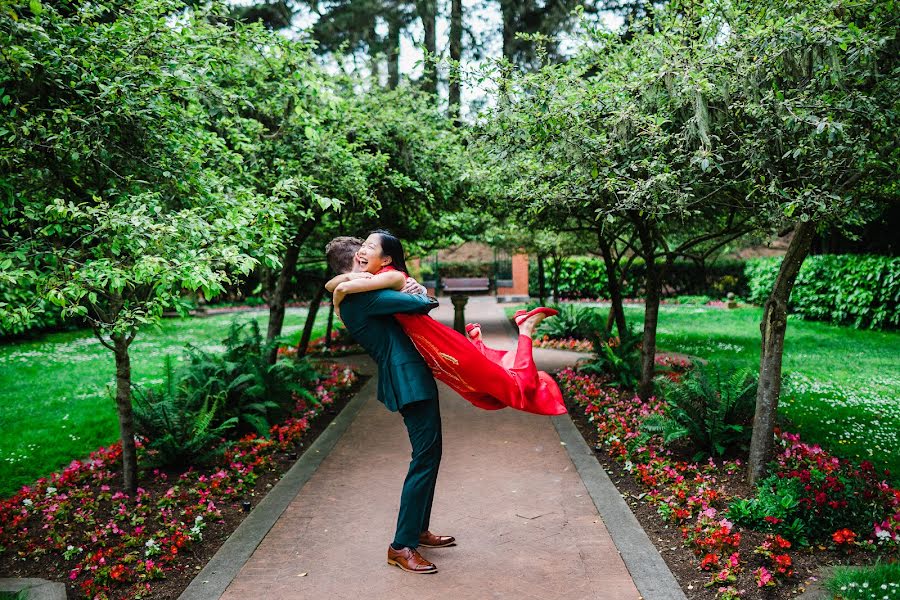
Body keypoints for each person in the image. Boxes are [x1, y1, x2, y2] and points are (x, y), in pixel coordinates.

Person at [326, 230, 566, 417]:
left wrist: (338, 305)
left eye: (369, 247)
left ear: (386, 258)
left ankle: (525, 327)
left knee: (513, 389)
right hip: (437, 352)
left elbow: (342, 287)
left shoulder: (392, 276)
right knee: (480, 393)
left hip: (445, 347)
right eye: (362, 248)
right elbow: (333, 284)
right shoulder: (379, 278)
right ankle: (483, 346)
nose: (362, 253)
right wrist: (351, 276)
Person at [324, 235, 452, 576]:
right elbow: (420, 303)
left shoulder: (353, 295)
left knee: (430, 454)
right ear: (354, 267)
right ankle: (401, 546)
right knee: (424, 457)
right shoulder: (362, 299)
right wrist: (422, 292)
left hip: (408, 377)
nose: (368, 263)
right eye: (362, 259)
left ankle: (417, 530)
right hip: (408, 380)